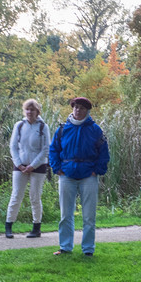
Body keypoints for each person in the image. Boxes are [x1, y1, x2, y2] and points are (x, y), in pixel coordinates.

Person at [49, 96, 109, 256]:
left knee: (89, 216)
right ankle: (65, 247)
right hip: (66, 174)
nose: (78, 110)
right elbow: (53, 149)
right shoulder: (62, 129)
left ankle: (88, 249)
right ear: (72, 108)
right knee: (65, 215)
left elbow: (104, 153)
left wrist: (97, 170)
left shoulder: (95, 130)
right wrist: (57, 168)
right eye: (76, 107)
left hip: (88, 175)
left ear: (87, 111)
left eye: (82, 108)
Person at [5, 99, 50, 239]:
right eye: (27, 109)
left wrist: (33, 166)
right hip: (20, 165)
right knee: (16, 194)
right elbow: (13, 146)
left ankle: (36, 227)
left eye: (33, 110)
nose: (30, 112)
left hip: (38, 166)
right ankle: (9, 226)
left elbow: (46, 148)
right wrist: (19, 164)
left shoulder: (43, 127)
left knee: (35, 196)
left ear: (37, 111)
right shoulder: (19, 125)